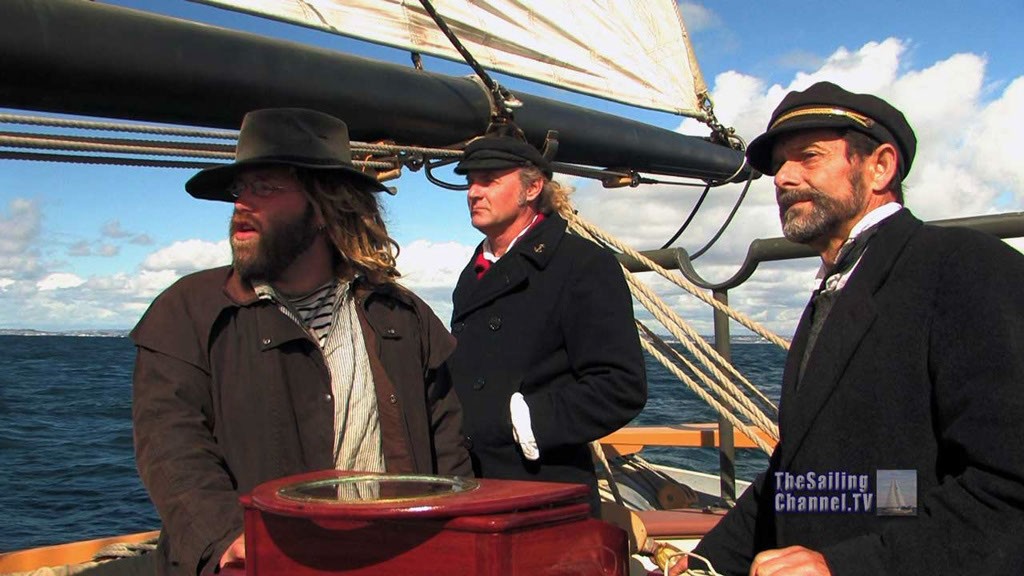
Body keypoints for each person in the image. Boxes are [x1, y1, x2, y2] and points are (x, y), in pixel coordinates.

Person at [688, 82, 1024, 575]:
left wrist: (843, 567)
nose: (782, 177)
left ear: (880, 166)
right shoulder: (838, 287)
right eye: (780, 164)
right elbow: (805, 478)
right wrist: (702, 562)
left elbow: (1008, 486)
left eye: (808, 157)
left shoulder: (966, 267)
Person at [130, 108, 472, 576]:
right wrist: (225, 537)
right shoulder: (188, 312)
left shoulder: (403, 317)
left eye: (265, 187)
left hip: (395, 558)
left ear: (323, 205)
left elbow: (448, 452)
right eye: (239, 190)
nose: (241, 206)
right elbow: (170, 445)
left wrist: (457, 543)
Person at [443, 135, 647, 514]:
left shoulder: (581, 264)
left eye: (489, 179)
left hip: (541, 489)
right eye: (470, 181)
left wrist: (522, 422)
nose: (473, 192)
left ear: (532, 187)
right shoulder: (474, 273)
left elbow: (620, 386)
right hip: (470, 484)